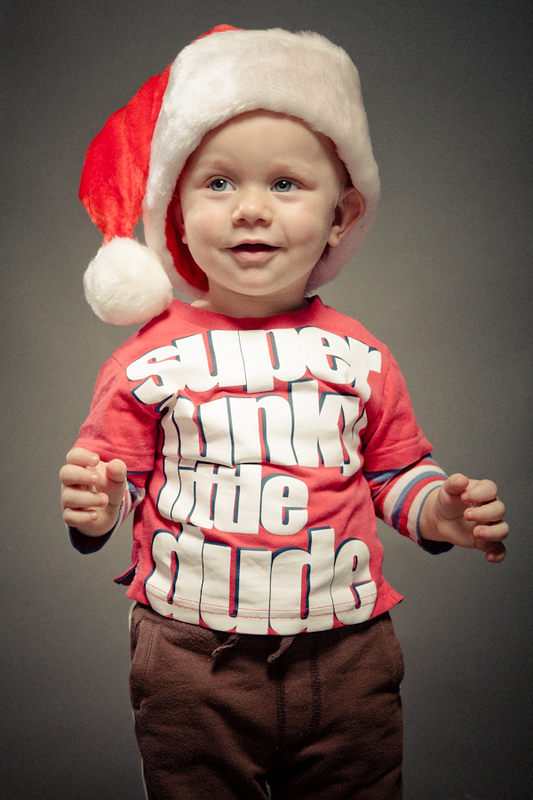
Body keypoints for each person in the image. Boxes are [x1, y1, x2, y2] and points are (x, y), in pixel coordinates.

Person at [60, 25, 508, 800]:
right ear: (175, 209)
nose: (250, 210)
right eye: (218, 183)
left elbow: (392, 473)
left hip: (348, 658)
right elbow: (119, 481)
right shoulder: (145, 361)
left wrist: (438, 510)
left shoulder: (360, 356)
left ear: (340, 215)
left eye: (285, 184)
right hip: (191, 661)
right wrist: (100, 506)